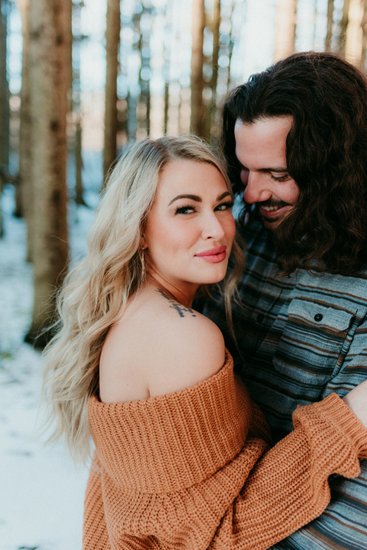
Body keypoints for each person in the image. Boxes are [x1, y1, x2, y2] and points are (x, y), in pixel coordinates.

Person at [42, 135, 367, 550]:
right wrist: (349, 420)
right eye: (185, 209)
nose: (216, 229)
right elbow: (216, 533)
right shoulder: (182, 335)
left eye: (221, 205)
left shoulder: (129, 308)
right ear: (138, 227)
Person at [202, 51, 367, 548]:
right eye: (244, 170)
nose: (252, 195)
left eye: (276, 173)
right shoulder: (231, 233)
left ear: (335, 167)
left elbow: (354, 507)